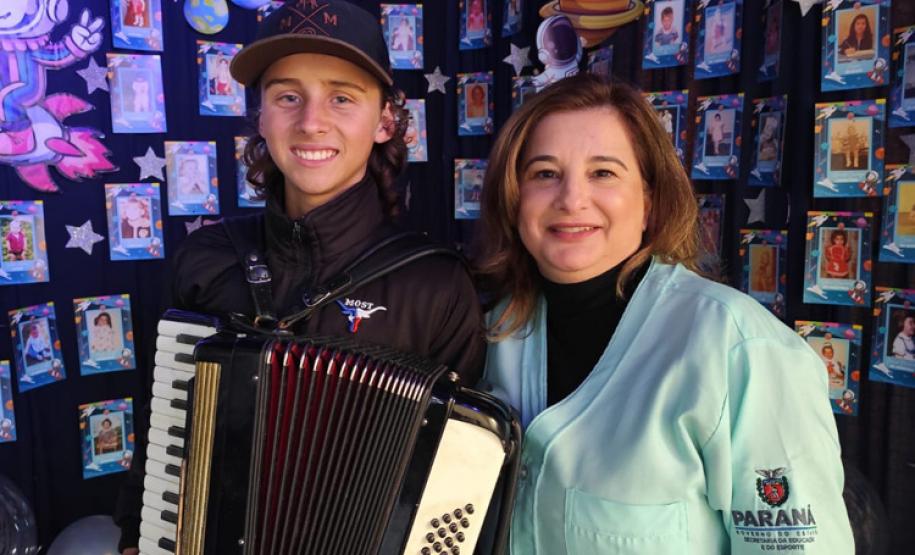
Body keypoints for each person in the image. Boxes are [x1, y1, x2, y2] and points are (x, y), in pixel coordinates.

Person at [114, 1, 485, 552]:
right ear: (261, 117)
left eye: (342, 97)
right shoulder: (207, 259)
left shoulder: (435, 285)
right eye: (288, 96)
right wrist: (136, 537)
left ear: (385, 120)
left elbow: (461, 474)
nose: (311, 121)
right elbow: (167, 435)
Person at [476, 73, 853, 553]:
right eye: (545, 173)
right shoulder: (492, 331)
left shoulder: (742, 352)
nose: (571, 199)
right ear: (514, 198)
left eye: (603, 173)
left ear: (650, 201)